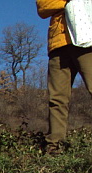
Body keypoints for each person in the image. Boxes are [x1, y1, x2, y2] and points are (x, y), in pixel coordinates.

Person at [37, 0, 92, 154]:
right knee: (57, 99)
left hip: (87, 39)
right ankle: (54, 147)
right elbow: (43, 7)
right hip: (58, 44)